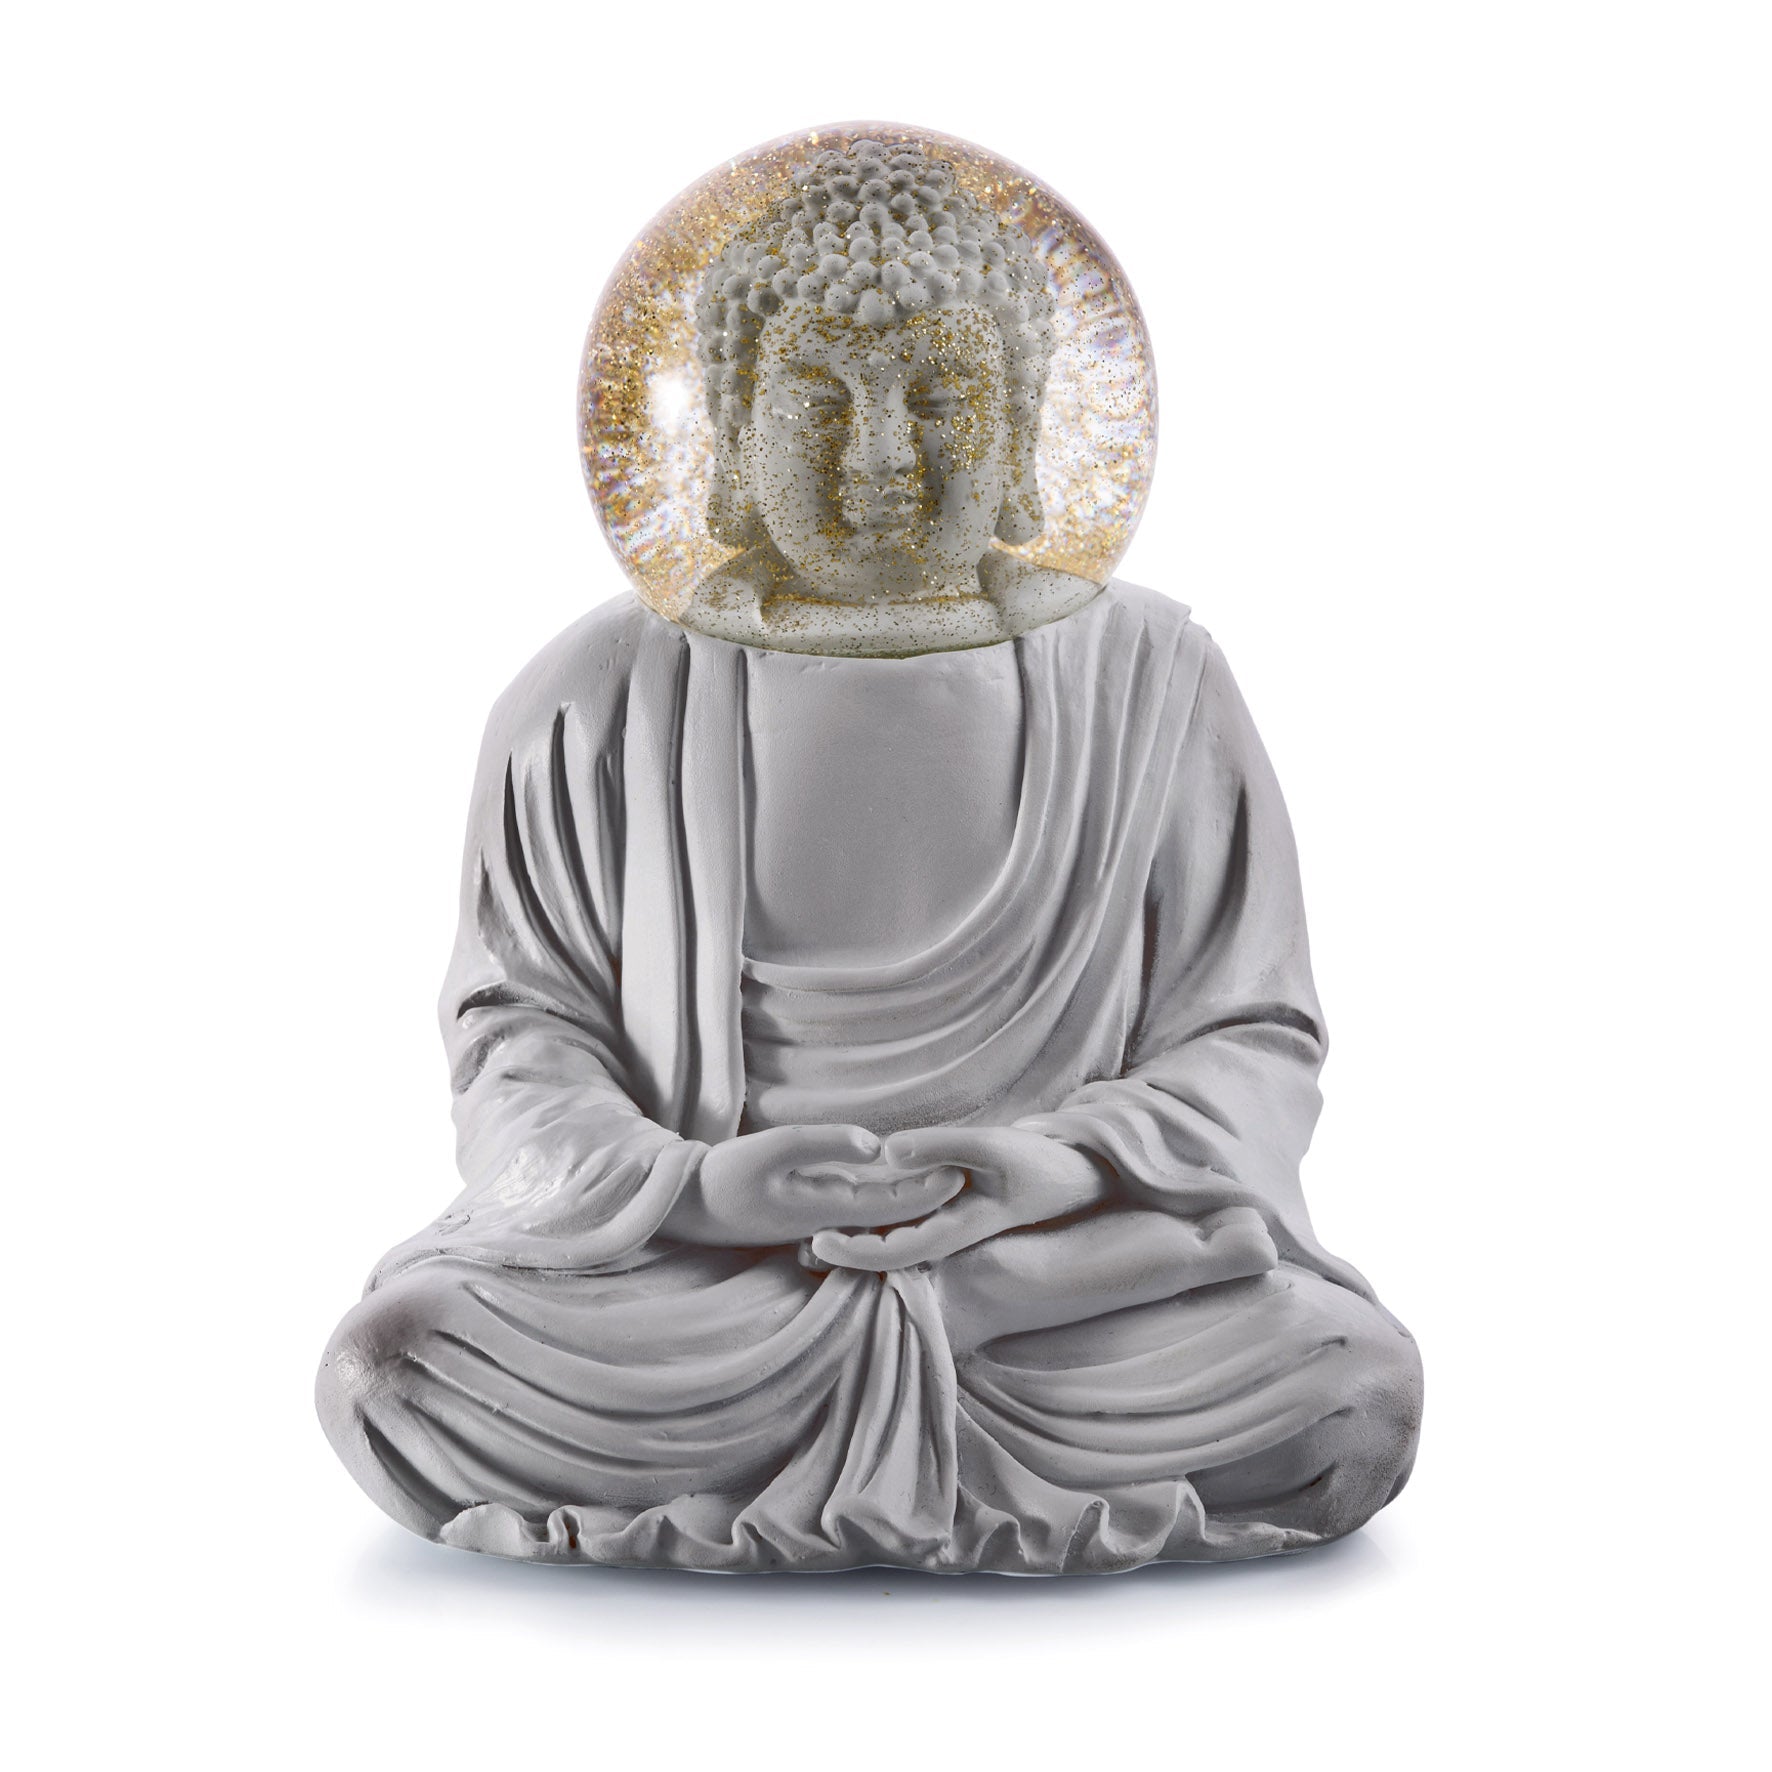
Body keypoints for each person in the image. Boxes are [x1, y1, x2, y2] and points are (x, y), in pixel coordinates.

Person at [317, 140, 1422, 1572]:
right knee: (402, 1367)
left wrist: (1055, 1169)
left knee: (1349, 1389)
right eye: (824, 404)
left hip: (1044, 1273)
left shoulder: (1151, 683)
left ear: (1022, 423)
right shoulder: (598, 696)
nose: (886, 456)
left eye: (942, 400)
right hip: (708, 1281)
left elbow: (1252, 1036)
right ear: (730, 426)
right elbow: (516, 1034)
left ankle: (964, 1330)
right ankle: (934, 1357)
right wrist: (697, 1191)